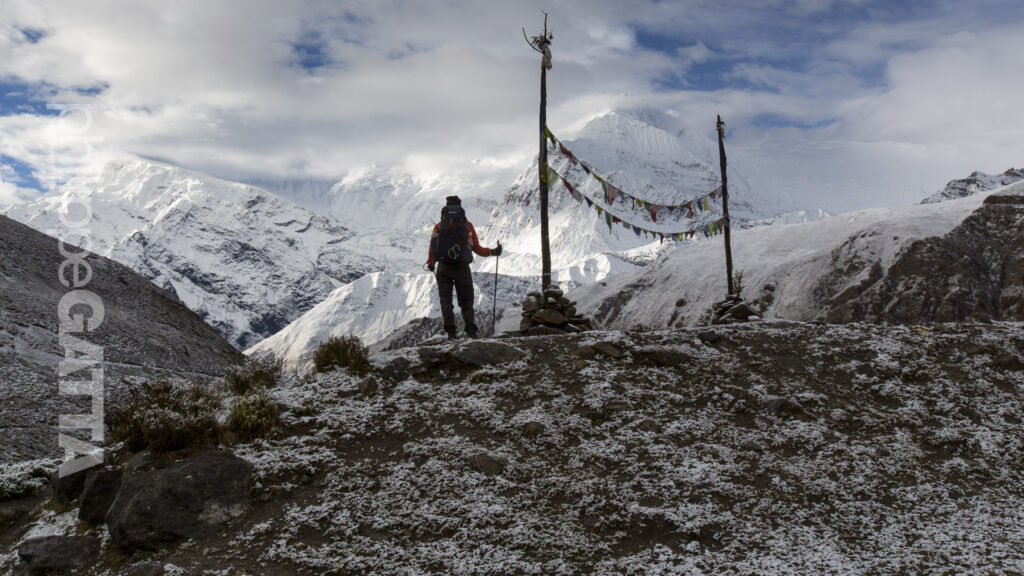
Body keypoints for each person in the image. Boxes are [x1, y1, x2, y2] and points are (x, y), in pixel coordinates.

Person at [427, 195, 501, 339]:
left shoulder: (438, 226)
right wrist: (493, 251)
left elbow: (432, 249)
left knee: (446, 302)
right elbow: (477, 249)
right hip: (462, 268)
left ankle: (451, 334)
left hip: (443, 268)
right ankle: (471, 333)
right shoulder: (467, 226)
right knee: (466, 302)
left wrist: (431, 263)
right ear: (460, 207)